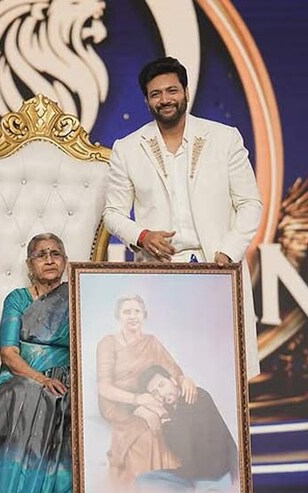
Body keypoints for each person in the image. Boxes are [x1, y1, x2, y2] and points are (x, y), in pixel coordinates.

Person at [102, 56, 261, 379]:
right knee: (168, 374)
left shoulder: (223, 138)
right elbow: (113, 214)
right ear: (147, 101)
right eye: (156, 94)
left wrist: (227, 252)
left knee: (223, 371)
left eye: (172, 90)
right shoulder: (129, 148)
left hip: (217, 269)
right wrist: (143, 236)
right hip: (161, 274)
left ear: (186, 92)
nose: (165, 100)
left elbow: (250, 204)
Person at [0, 234, 73, 493]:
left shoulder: (76, 297)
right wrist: (41, 378)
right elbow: (9, 354)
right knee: (28, 393)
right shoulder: (18, 300)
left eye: (56, 254)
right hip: (19, 378)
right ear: (30, 264)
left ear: (65, 261)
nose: (49, 259)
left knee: (70, 398)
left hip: (65, 377)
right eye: (41, 254)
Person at [95, 294, 196, 486]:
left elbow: (173, 369)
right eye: (127, 312)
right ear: (118, 316)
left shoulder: (151, 342)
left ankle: (167, 488)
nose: (132, 316)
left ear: (144, 315)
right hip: (119, 403)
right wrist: (138, 401)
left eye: (137, 311)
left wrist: (185, 379)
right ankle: (138, 492)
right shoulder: (107, 343)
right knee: (147, 432)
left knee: (165, 426)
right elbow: (103, 387)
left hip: (150, 399)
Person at [133, 365, 239, 493]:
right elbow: (126, 406)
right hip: (191, 475)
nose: (161, 394)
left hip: (213, 476)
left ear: (173, 380)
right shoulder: (175, 406)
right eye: (155, 393)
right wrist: (143, 410)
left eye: (162, 385)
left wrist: (162, 415)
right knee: (144, 480)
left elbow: (181, 448)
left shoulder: (194, 396)